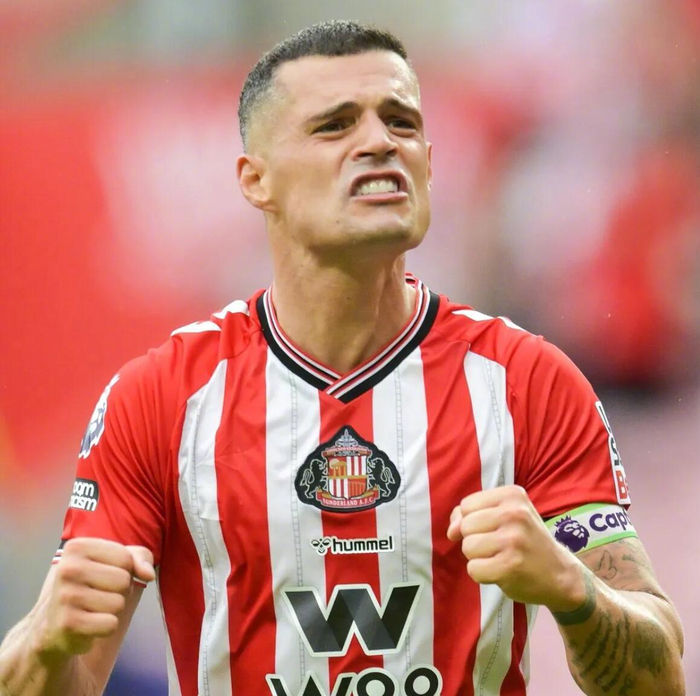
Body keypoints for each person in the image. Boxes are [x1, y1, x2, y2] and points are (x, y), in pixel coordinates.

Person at [0, 20, 685, 696]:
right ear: (255, 180)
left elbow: (659, 680)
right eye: (335, 126)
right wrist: (45, 640)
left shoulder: (528, 383)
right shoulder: (160, 399)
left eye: (401, 122)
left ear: (428, 163)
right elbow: (65, 679)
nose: (380, 141)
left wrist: (572, 589)